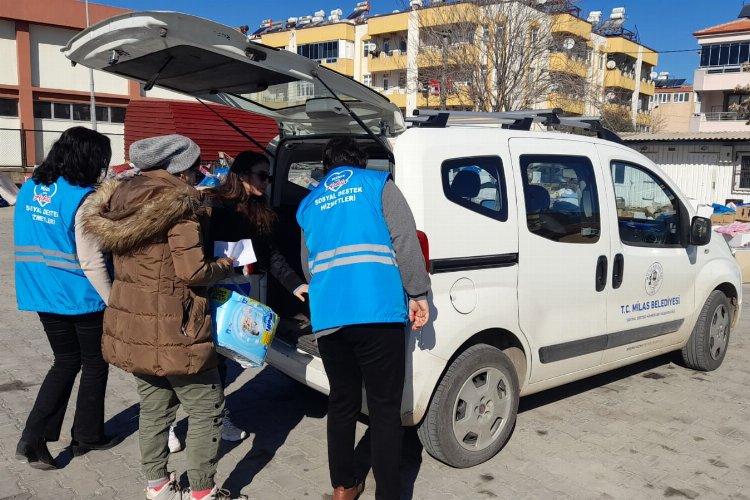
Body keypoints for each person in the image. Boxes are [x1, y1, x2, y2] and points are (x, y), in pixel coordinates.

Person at [81, 135, 244, 500]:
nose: (199, 172)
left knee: (154, 406)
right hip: (177, 325)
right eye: (196, 165)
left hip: (135, 324)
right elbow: (193, 272)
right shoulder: (177, 205)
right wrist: (225, 264)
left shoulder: (120, 199)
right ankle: (203, 490)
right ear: (180, 167)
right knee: (207, 407)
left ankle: (157, 484)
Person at [296, 137, 431, 500]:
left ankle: (343, 486)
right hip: (377, 312)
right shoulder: (378, 185)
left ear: (327, 167)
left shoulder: (308, 204)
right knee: (385, 411)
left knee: (342, 402)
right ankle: (387, 494)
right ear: (360, 162)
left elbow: (309, 268)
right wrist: (418, 293)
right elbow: (405, 241)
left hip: (330, 317)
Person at [13, 127, 120, 470]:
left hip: (40, 291)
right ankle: (73, 435)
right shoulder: (84, 197)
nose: (104, 167)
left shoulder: (30, 187)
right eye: (102, 160)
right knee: (92, 362)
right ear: (88, 159)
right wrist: (113, 300)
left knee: (65, 361)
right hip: (79, 295)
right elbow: (91, 260)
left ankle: (49, 435)